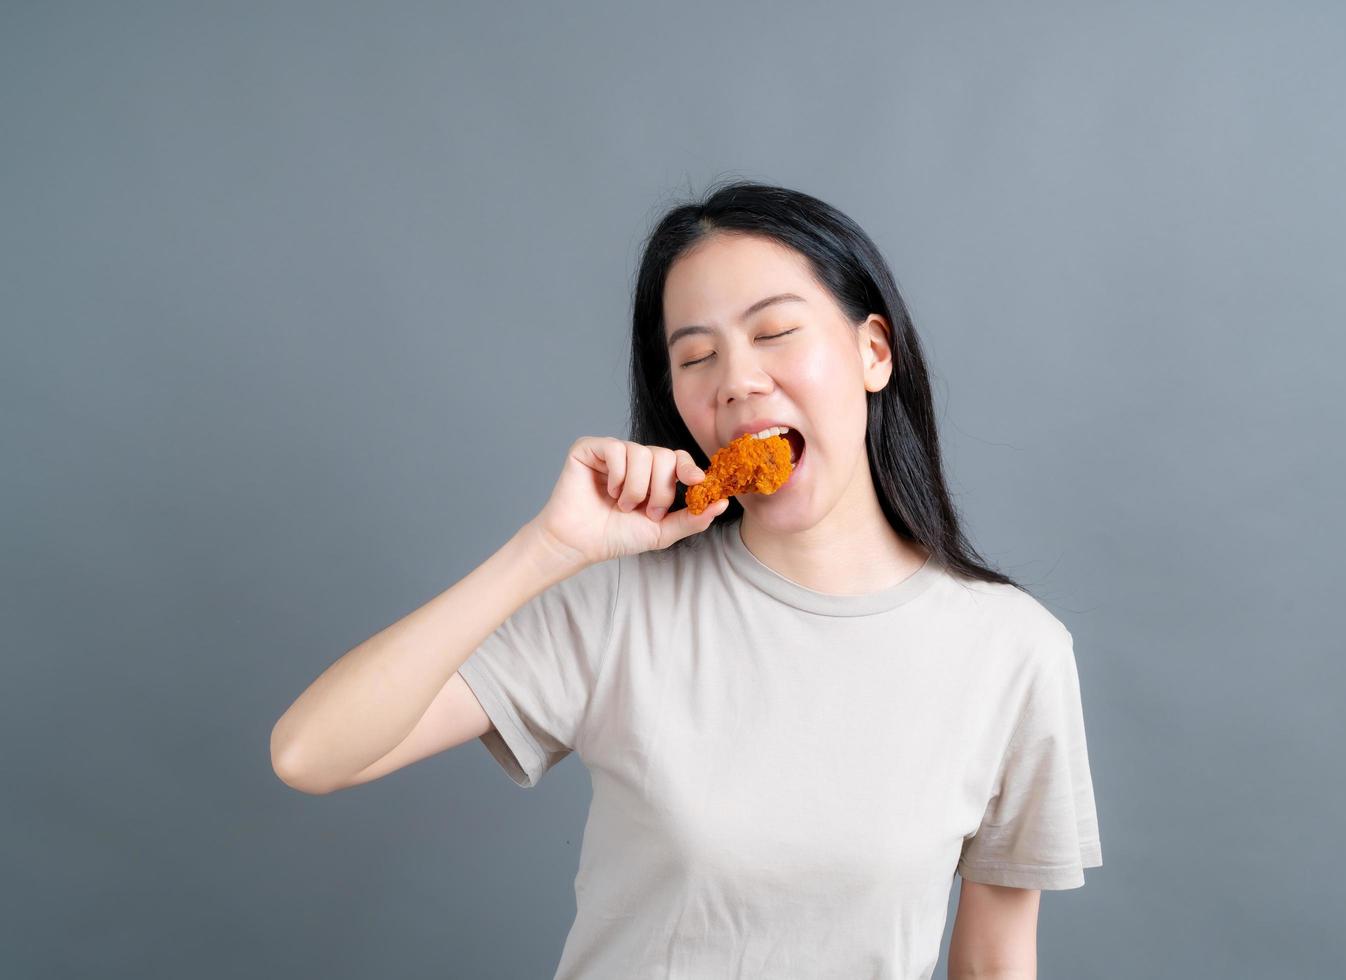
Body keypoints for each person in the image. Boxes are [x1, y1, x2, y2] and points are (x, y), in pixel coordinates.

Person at [270, 179, 1103, 979]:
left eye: (775, 333)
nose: (737, 380)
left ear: (873, 352)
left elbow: (996, 961)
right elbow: (310, 754)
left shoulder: (1012, 651)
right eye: (696, 355)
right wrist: (546, 548)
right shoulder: (619, 601)